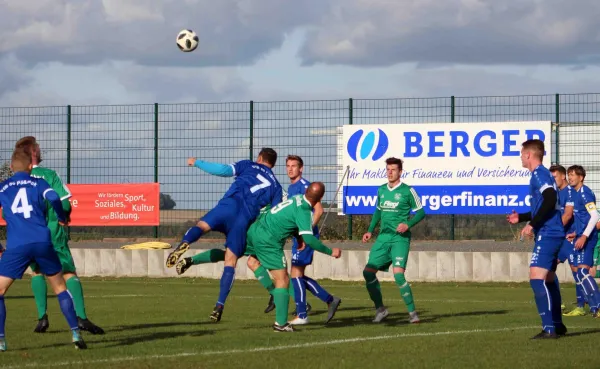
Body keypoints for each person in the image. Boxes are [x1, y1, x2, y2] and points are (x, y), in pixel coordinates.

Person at [166, 148, 282, 322]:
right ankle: (219, 305)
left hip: (228, 205)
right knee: (230, 261)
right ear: (273, 164)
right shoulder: (276, 186)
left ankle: (184, 243)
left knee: (202, 226)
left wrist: (197, 162)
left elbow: (223, 170)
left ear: (259, 158)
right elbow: (274, 215)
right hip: (244, 220)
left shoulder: (248, 165)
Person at [14, 136, 104, 334]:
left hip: (30, 233)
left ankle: (42, 318)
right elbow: (64, 203)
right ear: (34, 152)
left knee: (37, 272)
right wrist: (65, 216)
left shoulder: (16, 180)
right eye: (38, 147)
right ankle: (81, 318)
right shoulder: (49, 175)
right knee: (68, 272)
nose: (40, 149)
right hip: (53, 232)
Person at [0, 149, 86, 351]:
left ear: (11, 168)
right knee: (60, 288)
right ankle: (75, 333)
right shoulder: (38, 182)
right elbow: (55, 198)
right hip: (42, 242)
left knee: (1, 290)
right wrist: (62, 218)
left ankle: (2, 340)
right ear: (31, 166)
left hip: (17, 246)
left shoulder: (3, 187)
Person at [245, 182, 341, 331]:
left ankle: (308, 307)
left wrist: (299, 236)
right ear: (320, 198)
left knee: (247, 260)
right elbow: (309, 239)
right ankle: (283, 323)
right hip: (269, 240)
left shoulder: (297, 197)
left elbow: (290, 219)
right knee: (283, 279)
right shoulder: (303, 210)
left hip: (256, 230)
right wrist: (331, 252)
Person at [263, 155, 341, 324]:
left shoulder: (305, 186)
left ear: (301, 168)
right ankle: (329, 300)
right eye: (288, 166)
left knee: (296, 274)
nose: (290, 169)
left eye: (294, 166)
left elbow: (319, 210)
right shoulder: (291, 188)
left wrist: (306, 232)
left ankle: (302, 314)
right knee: (296, 275)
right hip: (299, 238)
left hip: (305, 238)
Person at [507, 139, 567, 339]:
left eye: (521, 153)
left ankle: (549, 329)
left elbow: (550, 200)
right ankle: (557, 325)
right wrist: (522, 217)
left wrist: (532, 224)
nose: (520, 157)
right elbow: (545, 205)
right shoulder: (544, 175)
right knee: (549, 279)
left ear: (528, 155)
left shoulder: (539, 174)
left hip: (549, 233)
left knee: (536, 279)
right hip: (554, 232)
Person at [361, 157, 425, 324]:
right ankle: (380, 309)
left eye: (393, 169)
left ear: (400, 172)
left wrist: (408, 224)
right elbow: (378, 211)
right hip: (383, 238)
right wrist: (369, 231)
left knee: (398, 275)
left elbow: (421, 212)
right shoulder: (381, 190)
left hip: (399, 239)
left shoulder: (408, 191)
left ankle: (413, 314)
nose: (389, 172)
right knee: (368, 272)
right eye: (388, 169)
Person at [564, 165, 600, 317]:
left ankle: (598, 305)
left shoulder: (585, 193)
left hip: (588, 238)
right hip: (581, 236)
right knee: (580, 274)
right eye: (569, 175)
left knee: (583, 272)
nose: (570, 177)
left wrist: (584, 236)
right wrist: (576, 233)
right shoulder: (576, 193)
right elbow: (583, 218)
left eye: (573, 175)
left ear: (581, 177)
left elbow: (595, 216)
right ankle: (594, 307)